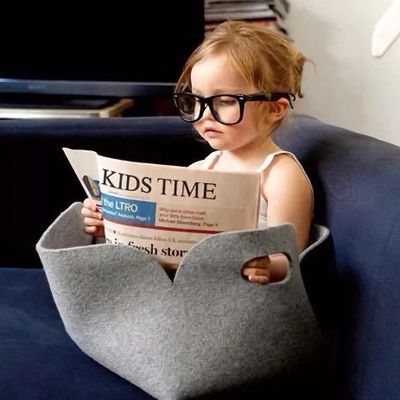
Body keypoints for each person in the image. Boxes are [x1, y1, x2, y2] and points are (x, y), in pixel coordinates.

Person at [82, 20, 313, 284]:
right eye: (195, 100)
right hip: (193, 290)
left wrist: (268, 266)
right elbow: (164, 244)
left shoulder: (281, 175)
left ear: (274, 109)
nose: (203, 115)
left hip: (244, 297)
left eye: (224, 101)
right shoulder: (203, 168)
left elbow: (290, 259)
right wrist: (112, 226)